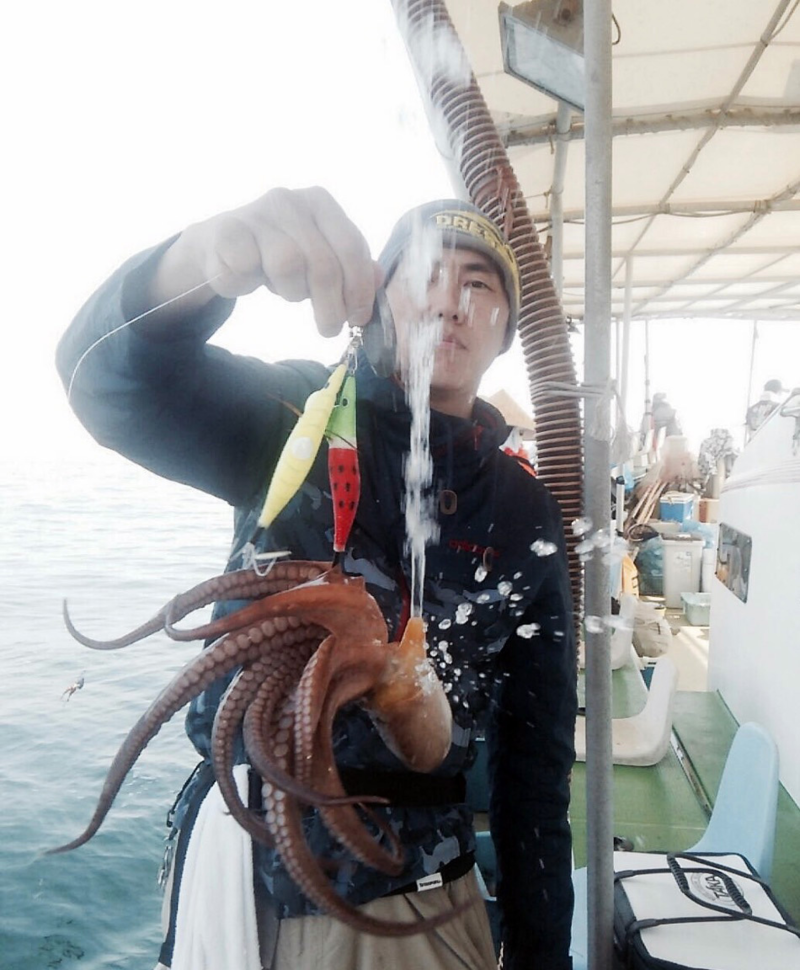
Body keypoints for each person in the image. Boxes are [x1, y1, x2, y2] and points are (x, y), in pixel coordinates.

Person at [56, 188, 577, 970]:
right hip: (236, 870)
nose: (453, 300)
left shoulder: (523, 510)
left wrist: (542, 955)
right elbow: (104, 385)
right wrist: (196, 266)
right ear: (376, 299)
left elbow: (535, 767)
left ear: (506, 330)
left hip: (418, 897)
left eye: (481, 284)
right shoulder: (296, 415)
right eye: (428, 273)